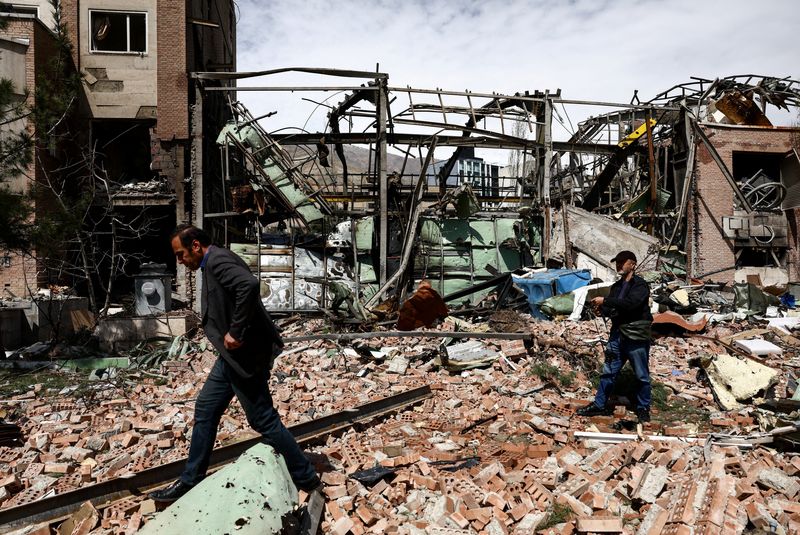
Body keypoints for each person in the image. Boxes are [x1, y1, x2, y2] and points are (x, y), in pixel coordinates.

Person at [150, 225, 320, 502]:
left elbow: (248, 285)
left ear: (195, 246)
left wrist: (236, 332)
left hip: (245, 355)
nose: (180, 261)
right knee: (206, 408)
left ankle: (307, 477)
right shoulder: (213, 261)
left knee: (263, 419)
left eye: (181, 254)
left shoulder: (217, 260)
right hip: (230, 357)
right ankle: (190, 480)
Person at [576, 250, 653, 423]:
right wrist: (601, 310)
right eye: (617, 262)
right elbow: (612, 308)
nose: (619, 265)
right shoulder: (616, 286)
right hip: (617, 335)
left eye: (622, 262)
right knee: (608, 372)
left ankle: (643, 408)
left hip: (635, 336)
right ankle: (599, 405)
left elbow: (631, 304)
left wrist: (605, 301)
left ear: (632, 264)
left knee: (641, 375)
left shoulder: (640, 285)